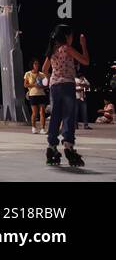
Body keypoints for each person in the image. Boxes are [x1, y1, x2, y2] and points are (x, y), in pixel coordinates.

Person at [42, 25, 89, 167]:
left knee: (55, 116)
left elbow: (44, 69)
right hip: (67, 85)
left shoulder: (52, 51)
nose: (72, 39)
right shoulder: (67, 48)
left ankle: (52, 147)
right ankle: (68, 146)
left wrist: (54, 76)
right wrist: (83, 45)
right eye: (71, 36)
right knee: (68, 115)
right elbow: (85, 61)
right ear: (66, 36)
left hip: (54, 86)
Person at [24, 59, 47, 134]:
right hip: (33, 94)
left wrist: (42, 86)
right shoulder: (28, 74)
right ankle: (33, 127)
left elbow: (45, 85)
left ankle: (43, 128)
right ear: (32, 65)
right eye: (35, 64)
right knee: (35, 112)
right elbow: (25, 85)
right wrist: (34, 85)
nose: (37, 65)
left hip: (41, 94)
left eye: (38, 64)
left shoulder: (42, 74)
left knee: (42, 111)